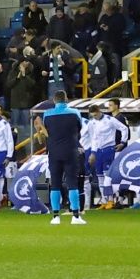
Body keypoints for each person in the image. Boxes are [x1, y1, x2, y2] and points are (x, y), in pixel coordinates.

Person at [39, 91, 85, 225]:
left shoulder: (47, 114)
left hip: (54, 152)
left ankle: (55, 217)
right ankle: (75, 216)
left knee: (55, 184)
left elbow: (47, 131)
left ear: (54, 100)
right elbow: (79, 128)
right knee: (72, 183)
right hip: (70, 151)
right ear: (66, 99)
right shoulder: (75, 112)